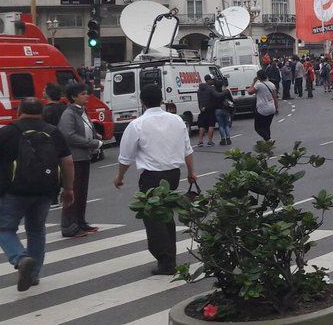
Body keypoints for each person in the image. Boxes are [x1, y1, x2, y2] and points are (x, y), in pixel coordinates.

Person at [0, 98, 75, 291]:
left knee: (5, 229)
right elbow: (68, 163)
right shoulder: (53, 132)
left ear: (19, 110)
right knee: (36, 230)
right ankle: (34, 273)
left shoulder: (7, 132)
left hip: (13, 192)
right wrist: (68, 189)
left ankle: (21, 259)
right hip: (45, 191)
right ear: (42, 112)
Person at [114, 84, 196, 275]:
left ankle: (165, 261)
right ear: (162, 100)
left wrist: (119, 177)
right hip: (173, 175)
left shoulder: (137, 125)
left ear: (141, 102)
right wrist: (191, 172)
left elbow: (126, 156)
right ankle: (170, 258)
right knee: (166, 215)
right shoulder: (177, 120)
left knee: (153, 218)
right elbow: (187, 150)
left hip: (151, 177)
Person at [57, 82, 105, 238]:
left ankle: (80, 222)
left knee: (82, 192)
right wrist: (92, 142)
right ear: (73, 97)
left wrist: (95, 135)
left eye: (87, 93)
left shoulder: (81, 111)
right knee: (73, 192)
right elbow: (68, 135)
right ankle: (69, 226)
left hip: (84, 157)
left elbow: (85, 129)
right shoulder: (68, 114)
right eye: (83, 94)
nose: (87, 96)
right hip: (73, 159)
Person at [249, 70, 279, 142]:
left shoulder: (258, 85)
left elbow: (250, 92)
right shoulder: (272, 85)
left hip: (262, 109)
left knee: (258, 128)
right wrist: (276, 108)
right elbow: (275, 98)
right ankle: (269, 142)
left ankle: (269, 139)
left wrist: (253, 82)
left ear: (258, 77)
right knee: (266, 127)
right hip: (272, 108)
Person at [195, 75, 220, 148]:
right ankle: (210, 141)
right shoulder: (210, 89)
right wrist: (225, 92)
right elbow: (217, 95)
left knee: (201, 126)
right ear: (208, 80)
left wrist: (201, 108)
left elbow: (199, 100)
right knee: (211, 125)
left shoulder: (199, 90)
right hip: (210, 109)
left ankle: (200, 141)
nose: (213, 81)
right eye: (212, 80)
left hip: (202, 109)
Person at [213, 76, 235, 146]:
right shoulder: (226, 91)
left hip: (217, 110)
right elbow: (231, 100)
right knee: (226, 125)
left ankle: (223, 139)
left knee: (221, 125)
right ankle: (228, 139)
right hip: (226, 109)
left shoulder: (214, 92)